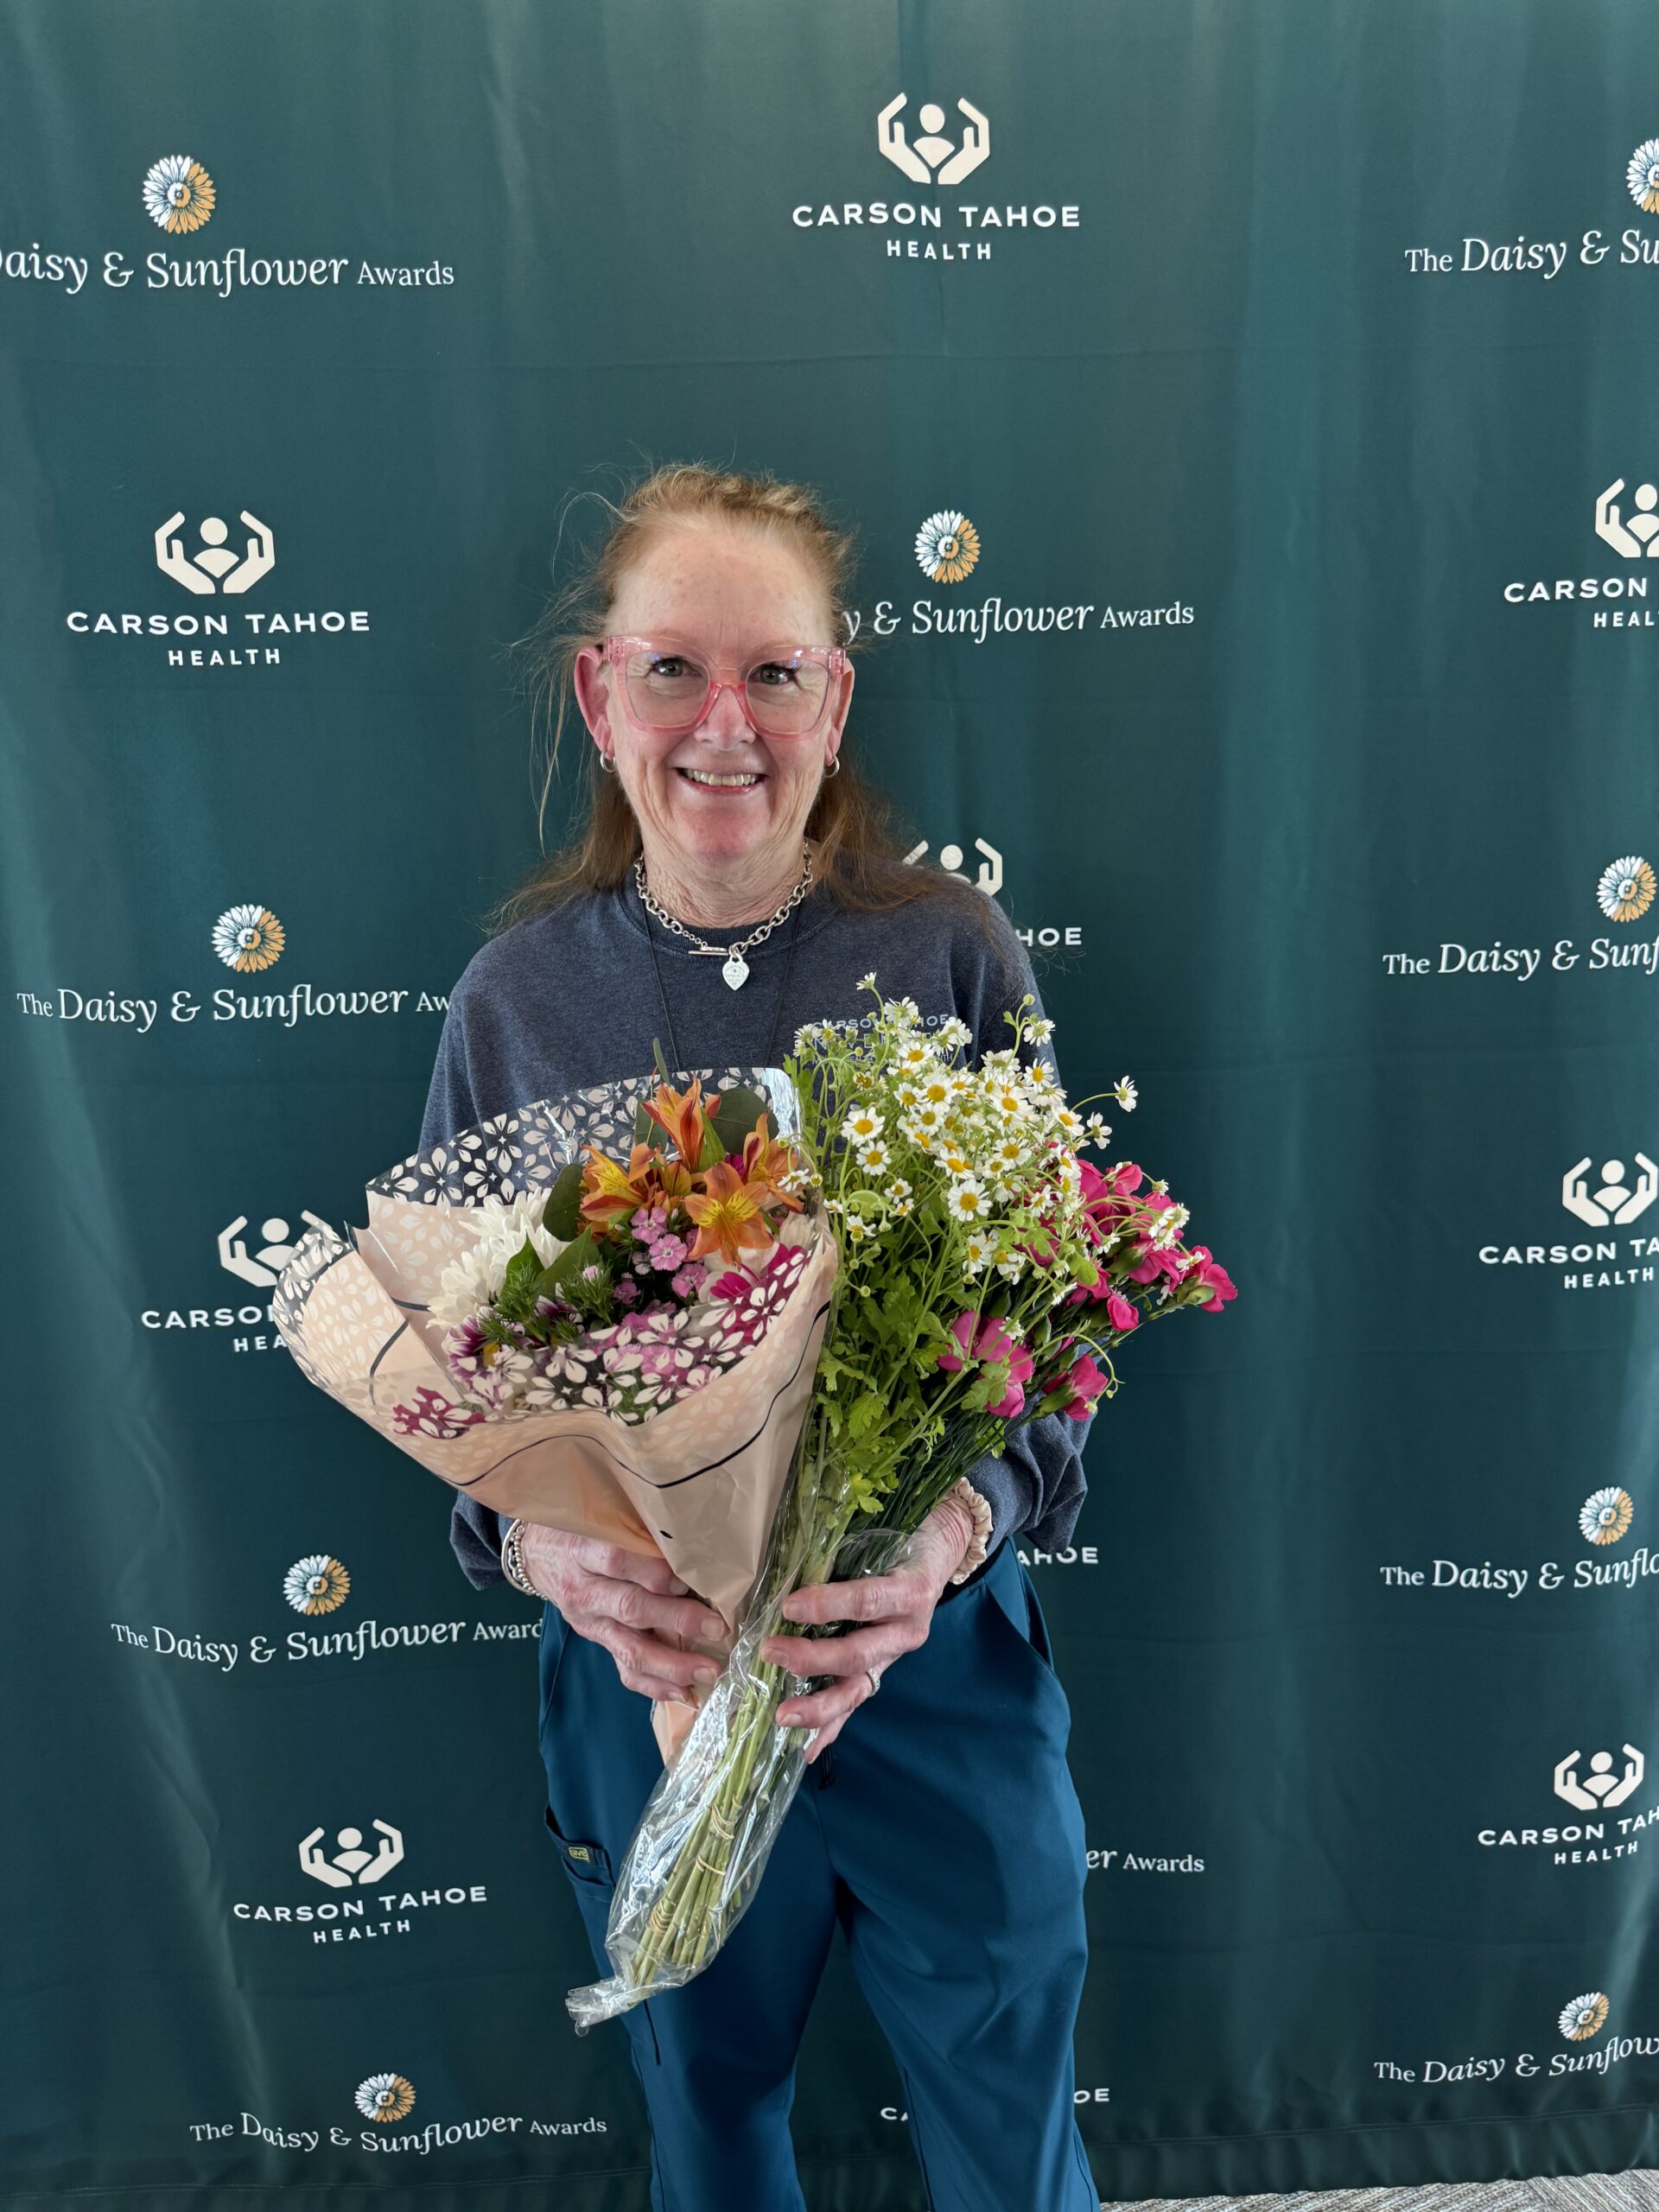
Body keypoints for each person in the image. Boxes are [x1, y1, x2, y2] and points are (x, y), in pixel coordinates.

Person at [417, 462, 1102, 2212]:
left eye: (775, 672)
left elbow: (1058, 1335)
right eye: (673, 669)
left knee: (1009, 2125)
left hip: (927, 1660)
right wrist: (544, 1540)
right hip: (644, 1674)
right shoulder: (514, 998)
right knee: (709, 2116)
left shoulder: (950, 953)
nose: (725, 724)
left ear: (834, 698)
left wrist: (949, 1537)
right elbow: (458, 1382)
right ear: (599, 690)